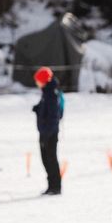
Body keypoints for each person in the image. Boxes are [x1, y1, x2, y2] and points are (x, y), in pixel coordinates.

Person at [31, 66, 63, 195]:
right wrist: (38, 109)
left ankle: (55, 187)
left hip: (49, 133)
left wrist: (47, 134)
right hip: (44, 132)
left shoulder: (51, 94)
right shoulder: (47, 92)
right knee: (46, 159)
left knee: (51, 159)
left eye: (38, 80)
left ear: (43, 80)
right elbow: (46, 111)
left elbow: (54, 116)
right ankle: (51, 186)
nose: (36, 83)